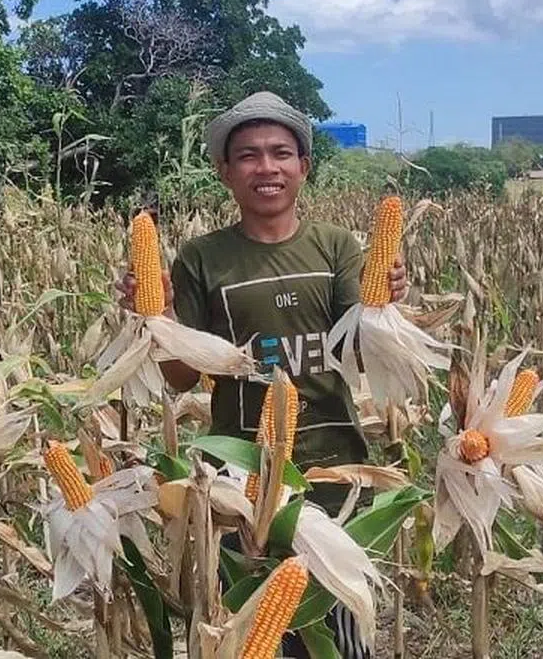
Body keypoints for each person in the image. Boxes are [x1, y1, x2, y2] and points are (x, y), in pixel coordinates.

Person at [116, 90, 406, 658]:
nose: (266, 168)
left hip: (332, 473)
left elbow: (363, 355)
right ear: (224, 170)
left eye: (281, 153)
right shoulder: (202, 258)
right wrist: (157, 318)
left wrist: (386, 307)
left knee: (338, 630)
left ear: (304, 166)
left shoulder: (336, 247)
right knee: (252, 629)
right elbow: (179, 377)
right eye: (248, 155)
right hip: (237, 484)